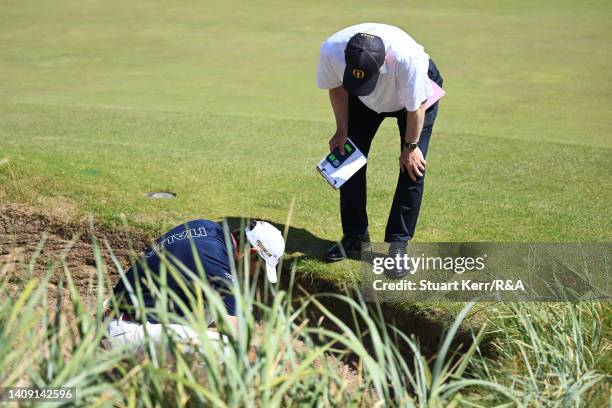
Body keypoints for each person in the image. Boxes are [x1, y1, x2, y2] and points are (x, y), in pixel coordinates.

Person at [316, 23, 443, 277]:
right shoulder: (331, 50)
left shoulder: (408, 59)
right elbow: (337, 88)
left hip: (412, 98)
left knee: (412, 167)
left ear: (384, 60)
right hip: (363, 102)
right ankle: (355, 236)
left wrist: (411, 147)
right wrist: (342, 130)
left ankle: (398, 246)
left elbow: (415, 106)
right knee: (348, 156)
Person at [104, 219, 285, 352]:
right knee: (228, 350)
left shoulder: (206, 226)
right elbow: (237, 333)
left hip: (115, 318)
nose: (255, 273)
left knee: (211, 306)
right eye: (259, 265)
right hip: (126, 334)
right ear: (251, 252)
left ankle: (169, 373)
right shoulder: (217, 265)